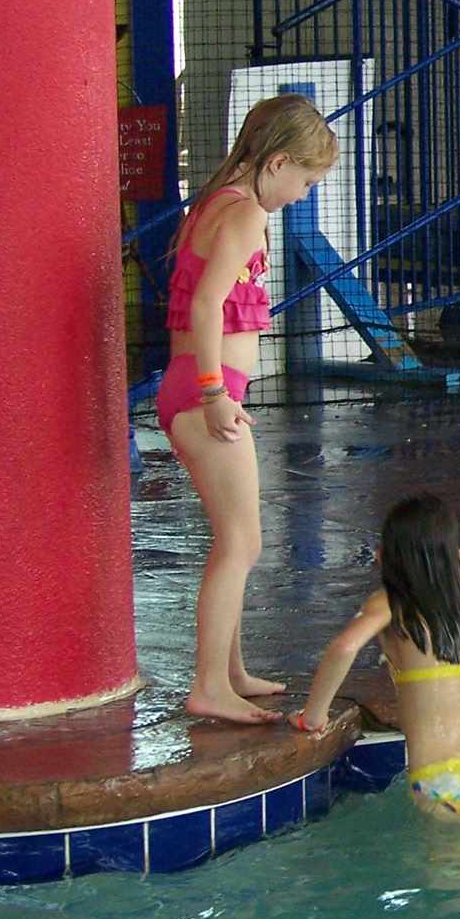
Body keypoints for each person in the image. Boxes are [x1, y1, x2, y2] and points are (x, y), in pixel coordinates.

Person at [161, 93, 336, 723]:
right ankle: (210, 685)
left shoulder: (215, 202)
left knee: (233, 541)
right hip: (204, 393)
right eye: (306, 181)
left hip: (191, 387)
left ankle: (230, 670)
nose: (302, 195)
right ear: (278, 161)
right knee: (242, 542)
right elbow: (207, 306)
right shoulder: (244, 214)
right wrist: (215, 394)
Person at [295, 494, 460, 822]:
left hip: (442, 784)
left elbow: (344, 648)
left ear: (383, 556)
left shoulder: (390, 603)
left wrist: (314, 716)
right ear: (456, 555)